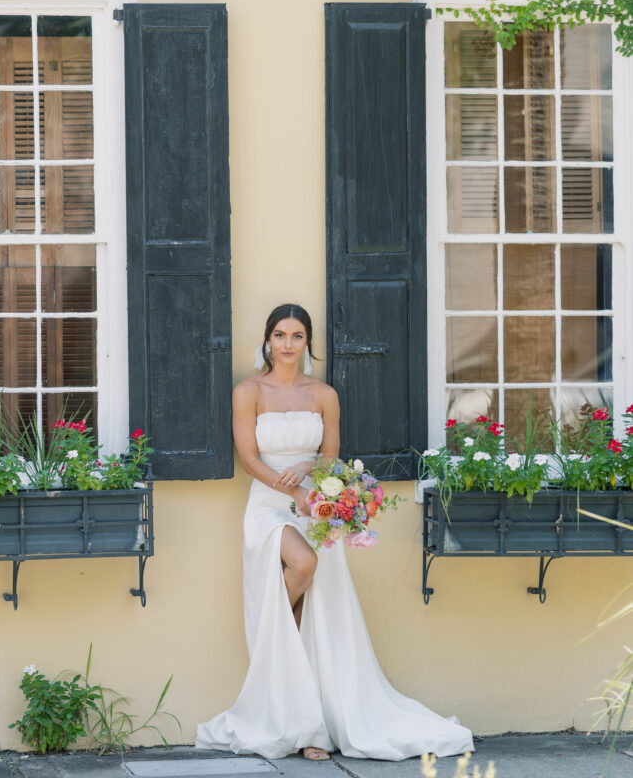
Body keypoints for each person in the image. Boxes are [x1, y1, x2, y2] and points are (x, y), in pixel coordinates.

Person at [195, 303, 474, 761]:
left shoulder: (323, 393)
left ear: (308, 343)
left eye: (297, 336)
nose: (288, 344)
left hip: (316, 503)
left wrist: (309, 471)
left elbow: (331, 457)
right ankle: (276, 646)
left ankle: (310, 723)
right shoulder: (249, 391)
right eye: (280, 335)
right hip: (269, 503)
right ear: (268, 340)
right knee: (303, 563)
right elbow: (248, 459)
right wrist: (290, 491)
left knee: (320, 606)